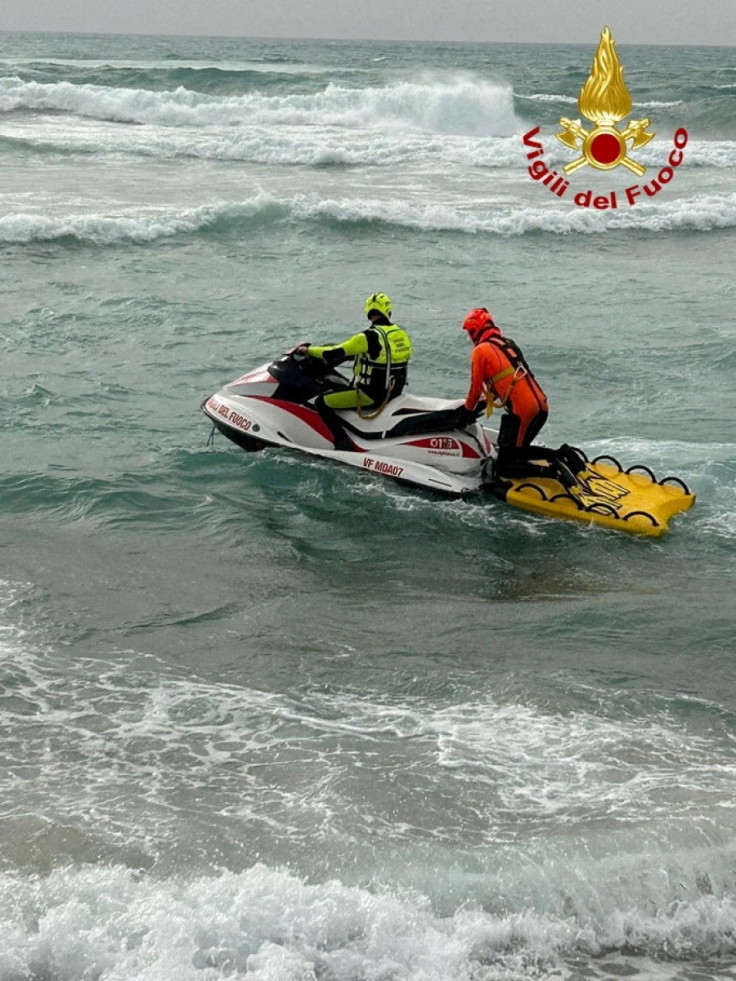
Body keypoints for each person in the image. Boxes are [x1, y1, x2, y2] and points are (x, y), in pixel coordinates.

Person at [305, 292, 412, 450]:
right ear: (388, 311)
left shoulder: (367, 337)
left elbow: (333, 352)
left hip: (370, 397)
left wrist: (307, 350)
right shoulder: (400, 334)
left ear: (369, 312)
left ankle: (341, 442)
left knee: (322, 402)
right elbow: (383, 357)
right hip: (393, 392)